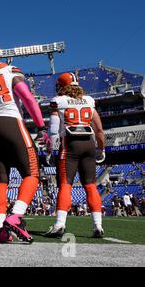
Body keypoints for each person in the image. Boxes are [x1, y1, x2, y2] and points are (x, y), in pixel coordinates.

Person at [0, 62, 50, 243]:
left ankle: (0, 229)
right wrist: (41, 127)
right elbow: (28, 99)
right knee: (32, 173)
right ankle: (16, 216)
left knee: (0, 179)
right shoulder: (10, 73)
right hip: (11, 122)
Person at [46, 72, 106, 238]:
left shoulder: (58, 101)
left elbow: (53, 130)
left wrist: (50, 150)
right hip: (89, 144)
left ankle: (59, 225)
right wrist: (101, 149)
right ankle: (98, 226)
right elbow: (99, 130)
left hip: (70, 144)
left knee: (66, 184)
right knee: (91, 185)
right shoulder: (89, 100)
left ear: (62, 86)